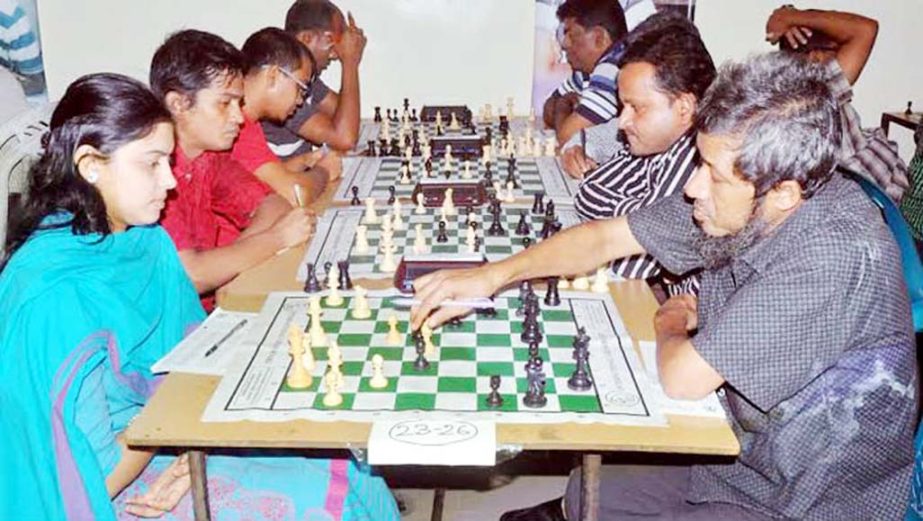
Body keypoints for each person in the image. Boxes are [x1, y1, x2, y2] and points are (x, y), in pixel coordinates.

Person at [412, 53, 916, 521]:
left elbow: (682, 377)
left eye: (712, 174)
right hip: (738, 460)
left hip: (809, 501)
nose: (694, 186)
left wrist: (670, 320)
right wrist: (491, 275)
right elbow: (607, 237)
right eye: (699, 163)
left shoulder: (832, 254)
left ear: (782, 192)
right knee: (582, 493)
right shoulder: (751, 198)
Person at [0, 73, 399, 521]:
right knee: (328, 505)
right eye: (151, 164)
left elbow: (186, 361)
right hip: (101, 491)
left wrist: (185, 444)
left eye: (168, 161)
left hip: (163, 435)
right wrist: (178, 450)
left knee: (356, 468)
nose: (170, 181)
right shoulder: (53, 296)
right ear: (90, 164)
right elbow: (97, 476)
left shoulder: (143, 243)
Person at [150, 29, 315, 310]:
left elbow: (275, 205)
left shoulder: (211, 159)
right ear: (178, 103)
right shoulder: (153, 171)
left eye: (239, 103)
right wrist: (275, 239)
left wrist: (227, 265)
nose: (239, 117)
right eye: (224, 103)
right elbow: (192, 275)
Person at [570, 12, 715, 297]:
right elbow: (589, 189)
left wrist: (631, 219)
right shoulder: (653, 142)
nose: (622, 122)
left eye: (636, 107)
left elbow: (631, 268)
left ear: (685, 107)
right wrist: (635, 213)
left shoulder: (693, 155)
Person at [767, 5, 909, 202]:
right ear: (815, 57)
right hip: (900, 206)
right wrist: (790, 16)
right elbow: (865, 29)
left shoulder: (793, 94)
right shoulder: (818, 90)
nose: (842, 57)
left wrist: (796, 18)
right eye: (837, 49)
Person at [238, 26, 341, 204]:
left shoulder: (251, 123)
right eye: (300, 88)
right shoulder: (236, 125)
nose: (301, 101)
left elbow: (262, 178)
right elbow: (295, 194)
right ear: (273, 76)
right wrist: (324, 171)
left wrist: (303, 161)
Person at [262, 0, 366, 161]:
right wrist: (350, 62)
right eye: (333, 42)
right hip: (279, 184)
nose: (335, 54)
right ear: (306, 38)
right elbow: (345, 139)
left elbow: (344, 116)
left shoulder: (309, 80)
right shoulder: (284, 86)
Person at [543, 0, 628, 147]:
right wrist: (565, 111)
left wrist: (563, 103)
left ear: (599, 38)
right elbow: (548, 111)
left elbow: (567, 137)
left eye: (570, 34)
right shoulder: (587, 71)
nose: (564, 44)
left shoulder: (612, 69)